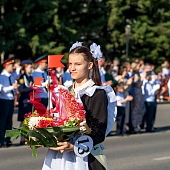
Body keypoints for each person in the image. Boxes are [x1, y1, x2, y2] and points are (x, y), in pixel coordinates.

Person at [42, 42, 117, 170]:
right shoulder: (64, 91)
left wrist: (74, 147)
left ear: (90, 65)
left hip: (86, 157)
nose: (72, 68)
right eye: (70, 64)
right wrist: (41, 137)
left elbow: (99, 132)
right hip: (59, 158)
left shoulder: (97, 93)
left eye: (77, 64)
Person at [0, 57, 19, 147]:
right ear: (6, 66)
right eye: (11, 65)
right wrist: (12, 87)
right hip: (4, 100)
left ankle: (8, 139)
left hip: (11, 99)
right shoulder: (2, 77)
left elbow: (17, 76)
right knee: (3, 121)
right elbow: (1, 90)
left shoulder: (12, 76)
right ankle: (3, 141)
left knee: (9, 121)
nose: (13, 67)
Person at [17, 60, 34, 145]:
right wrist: (31, 88)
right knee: (23, 121)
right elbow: (21, 89)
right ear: (25, 67)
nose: (31, 68)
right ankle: (22, 138)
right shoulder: (22, 77)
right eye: (30, 67)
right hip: (24, 101)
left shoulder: (30, 77)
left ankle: (28, 137)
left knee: (29, 121)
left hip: (30, 101)